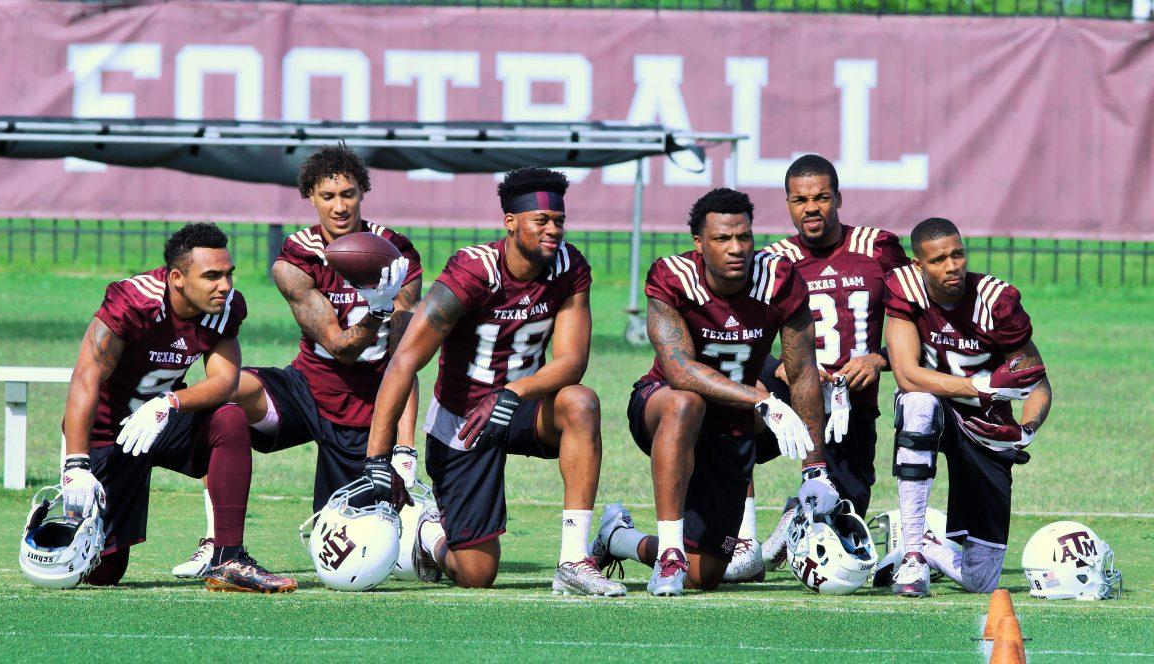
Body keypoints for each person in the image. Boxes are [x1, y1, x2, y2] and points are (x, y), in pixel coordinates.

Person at [364, 167, 625, 597]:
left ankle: (573, 560)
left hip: (521, 404)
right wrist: (379, 456)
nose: (553, 230)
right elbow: (403, 363)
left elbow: (573, 361)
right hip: (463, 417)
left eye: (559, 220)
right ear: (510, 222)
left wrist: (513, 392)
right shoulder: (472, 272)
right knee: (476, 574)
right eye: (541, 221)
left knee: (581, 402)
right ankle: (428, 533)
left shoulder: (569, 266)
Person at [172, 144, 423, 578]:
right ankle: (218, 544)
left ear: (363, 193)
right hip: (308, 388)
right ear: (310, 196)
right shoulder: (295, 258)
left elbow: (403, 360)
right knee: (227, 397)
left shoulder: (395, 251)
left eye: (348, 194)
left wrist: (404, 448)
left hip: (368, 407)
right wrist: (378, 309)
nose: (340, 206)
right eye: (328, 197)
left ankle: (423, 531)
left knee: (358, 556)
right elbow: (341, 346)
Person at [591, 187, 834, 596]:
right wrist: (761, 400)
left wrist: (815, 468)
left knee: (706, 575)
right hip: (663, 406)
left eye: (744, 237)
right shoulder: (673, 276)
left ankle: (618, 537)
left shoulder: (778, 280)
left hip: (731, 425)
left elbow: (804, 370)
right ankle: (670, 552)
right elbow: (679, 370)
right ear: (700, 244)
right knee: (687, 401)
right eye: (722, 239)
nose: (736, 248)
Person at [59, 223, 295, 592]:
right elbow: (85, 378)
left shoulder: (224, 308)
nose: (225, 286)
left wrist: (169, 402)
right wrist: (76, 464)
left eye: (229, 274)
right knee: (102, 573)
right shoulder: (135, 301)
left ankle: (228, 557)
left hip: (162, 420)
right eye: (212, 276)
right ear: (177, 278)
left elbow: (224, 382)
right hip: (110, 432)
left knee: (229, 417)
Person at [728, 154, 910, 582]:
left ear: (838, 198)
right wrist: (781, 369)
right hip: (790, 398)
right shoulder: (771, 259)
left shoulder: (877, 247)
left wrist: (880, 358)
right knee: (724, 426)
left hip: (850, 405)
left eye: (822, 197)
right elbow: (736, 333)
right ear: (788, 205)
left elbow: (918, 319)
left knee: (844, 518)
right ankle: (741, 538)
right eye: (801, 199)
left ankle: (795, 520)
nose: (812, 207)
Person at [883, 217, 1051, 596]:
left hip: (985, 424)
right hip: (939, 408)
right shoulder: (905, 289)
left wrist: (1027, 430)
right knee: (918, 402)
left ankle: (925, 539)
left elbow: (1036, 379)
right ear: (918, 265)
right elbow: (907, 375)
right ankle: (912, 556)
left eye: (957, 254)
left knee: (981, 581)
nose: (952, 266)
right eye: (939, 259)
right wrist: (981, 386)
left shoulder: (997, 301)